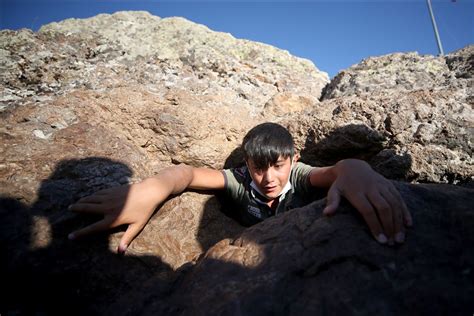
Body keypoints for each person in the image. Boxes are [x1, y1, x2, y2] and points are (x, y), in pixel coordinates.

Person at [68, 122, 413, 254]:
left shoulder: (298, 174)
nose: (269, 178)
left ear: (292, 159)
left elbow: (335, 171)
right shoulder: (239, 180)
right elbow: (187, 174)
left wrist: (357, 168)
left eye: (278, 165)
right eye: (258, 168)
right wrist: (149, 190)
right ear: (247, 165)